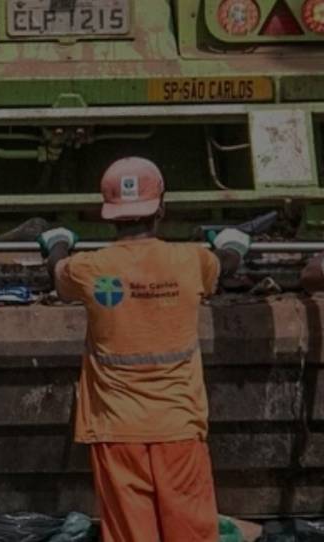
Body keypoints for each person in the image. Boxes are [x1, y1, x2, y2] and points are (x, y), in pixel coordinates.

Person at [38, 157, 249, 542]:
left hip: (117, 431)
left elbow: (58, 272)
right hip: (178, 426)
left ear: (108, 213)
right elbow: (225, 265)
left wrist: (57, 241)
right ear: (161, 208)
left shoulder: (90, 269)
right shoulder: (189, 261)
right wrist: (233, 243)